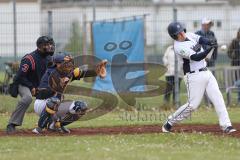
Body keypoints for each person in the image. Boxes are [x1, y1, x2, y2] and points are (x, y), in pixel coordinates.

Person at [162, 21, 236, 134]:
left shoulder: (189, 35)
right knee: (192, 105)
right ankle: (170, 122)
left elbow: (200, 39)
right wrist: (209, 49)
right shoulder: (178, 47)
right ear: (174, 36)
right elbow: (196, 57)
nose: (181, 34)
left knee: (218, 97)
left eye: (182, 30)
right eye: (178, 33)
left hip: (206, 72)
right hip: (193, 76)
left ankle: (226, 125)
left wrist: (210, 42)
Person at [32, 52, 107, 134]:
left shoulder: (67, 72)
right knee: (54, 101)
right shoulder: (52, 73)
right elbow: (45, 92)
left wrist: (96, 72)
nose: (68, 65)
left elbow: (82, 73)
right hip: (42, 104)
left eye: (69, 63)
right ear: (57, 64)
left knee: (81, 107)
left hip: (56, 105)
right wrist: (68, 76)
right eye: (66, 63)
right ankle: (39, 129)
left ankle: (56, 125)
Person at [6, 36, 55, 134]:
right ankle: (12, 124)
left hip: (38, 86)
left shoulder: (50, 58)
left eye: (50, 44)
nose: (49, 47)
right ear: (40, 46)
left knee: (55, 98)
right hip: (23, 84)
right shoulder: (29, 59)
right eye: (46, 45)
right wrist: (31, 87)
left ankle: (53, 124)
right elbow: (19, 77)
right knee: (27, 98)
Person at [196, 18, 218, 106]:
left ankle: (212, 102)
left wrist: (213, 58)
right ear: (203, 24)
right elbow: (194, 47)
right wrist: (202, 56)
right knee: (202, 83)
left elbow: (215, 46)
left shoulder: (212, 33)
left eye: (209, 24)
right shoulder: (197, 34)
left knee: (212, 83)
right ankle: (204, 102)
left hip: (211, 62)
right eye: (207, 24)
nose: (208, 26)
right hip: (200, 63)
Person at [227, 28, 240, 103]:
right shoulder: (235, 41)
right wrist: (234, 58)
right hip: (236, 66)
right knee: (237, 82)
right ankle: (238, 99)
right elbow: (229, 52)